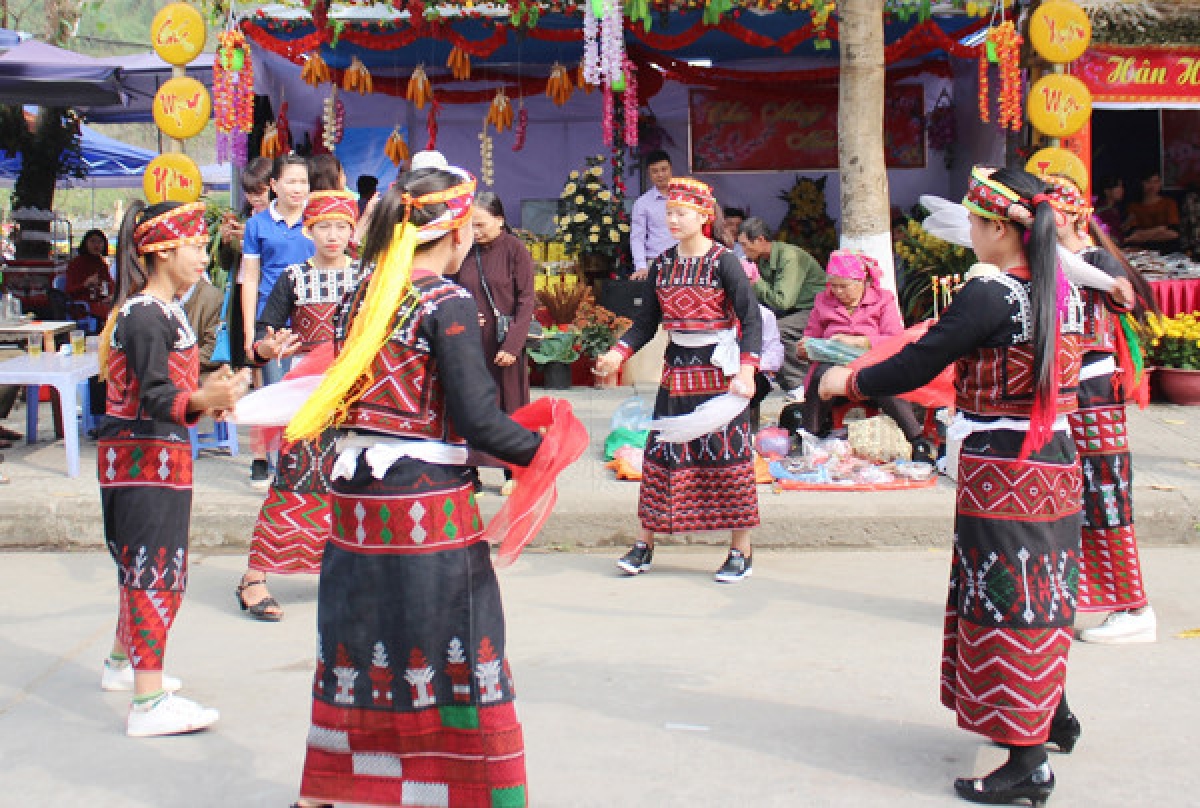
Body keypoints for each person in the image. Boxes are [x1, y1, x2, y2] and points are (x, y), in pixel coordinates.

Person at [819, 166, 1086, 806]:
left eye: (974, 222)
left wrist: (847, 384)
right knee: (1039, 595)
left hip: (1004, 468)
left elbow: (920, 360)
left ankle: (1027, 765)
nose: (967, 231)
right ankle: (1051, 716)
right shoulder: (1062, 288)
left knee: (1005, 603)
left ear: (1000, 228)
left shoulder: (991, 294)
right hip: (1055, 460)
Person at [286, 164, 544, 808]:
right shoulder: (446, 302)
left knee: (360, 642)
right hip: (425, 501)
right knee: (460, 647)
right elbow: (478, 419)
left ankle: (325, 792)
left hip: (354, 503)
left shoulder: (360, 296)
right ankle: (479, 794)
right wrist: (545, 449)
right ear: (456, 235)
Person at [97, 200, 254, 736]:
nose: (201, 259)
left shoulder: (165, 311)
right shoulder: (144, 315)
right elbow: (155, 394)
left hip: (154, 455)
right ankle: (148, 702)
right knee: (154, 571)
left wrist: (215, 395)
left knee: (140, 567)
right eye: (193, 247)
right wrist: (201, 397)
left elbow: (175, 390)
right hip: (144, 457)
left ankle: (122, 666)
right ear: (161, 251)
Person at [596, 177, 762, 583]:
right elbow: (646, 323)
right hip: (676, 373)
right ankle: (643, 543)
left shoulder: (725, 262)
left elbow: (751, 318)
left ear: (704, 215)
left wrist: (747, 369)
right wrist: (617, 352)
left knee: (729, 460)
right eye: (668, 212)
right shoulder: (663, 264)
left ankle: (741, 549)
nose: (672, 219)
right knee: (662, 455)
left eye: (680, 212)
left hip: (719, 373)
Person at [236, 191, 362, 622]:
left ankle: (351, 572)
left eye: (341, 226)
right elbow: (263, 339)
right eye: (323, 226)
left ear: (353, 231)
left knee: (353, 483)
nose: (333, 235)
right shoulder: (293, 277)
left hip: (355, 397)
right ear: (307, 231)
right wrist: (269, 347)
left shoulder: (368, 278)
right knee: (294, 479)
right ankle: (255, 577)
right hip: (307, 398)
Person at [1046, 175, 1159, 645]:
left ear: (1071, 214)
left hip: (1094, 391)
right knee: (1076, 498)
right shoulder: (1060, 260)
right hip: (1071, 390)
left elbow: (1122, 297)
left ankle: (1134, 607)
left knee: (1105, 498)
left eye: (1047, 210)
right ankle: (1079, 599)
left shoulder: (1094, 261)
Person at [798, 249, 933, 462]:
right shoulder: (823, 301)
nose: (838, 291)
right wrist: (807, 348)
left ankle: (917, 440)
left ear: (862, 281)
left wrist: (861, 342)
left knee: (885, 379)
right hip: (833, 367)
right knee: (821, 375)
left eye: (844, 286)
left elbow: (896, 339)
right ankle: (809, 438)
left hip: (872, 364)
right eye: (834, 285)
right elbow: (810, 335)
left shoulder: (883, 299)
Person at [455, 191, 537, 497]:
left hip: (505, 344)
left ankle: (514, 470)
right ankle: (470, 473)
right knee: (472, 406)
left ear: (500, 221)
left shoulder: (516, 250)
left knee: (511, 408)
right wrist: (462, 314)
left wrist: (513, 345)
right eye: (471, 226)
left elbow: (527, 300)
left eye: (481, 225)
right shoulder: (462, 250)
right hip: (470, 343)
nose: (475, 232)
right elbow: (449, 288)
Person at [241, 155, 314, 486]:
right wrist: (248, 331)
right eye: (291, 182)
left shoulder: (317, 220)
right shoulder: (257, 225)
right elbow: (251, 279)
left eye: (303, 182)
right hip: (271, 320)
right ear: (274, 186)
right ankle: (272, 462)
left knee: (307, 392)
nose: (298, 189)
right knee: (273, 391)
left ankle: (303, 462)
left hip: (311, 318)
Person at [739, 216, 827, 402]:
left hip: (816, 309)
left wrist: (755, 282)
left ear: (761, 240)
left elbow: (783, 301)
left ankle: (800, 384)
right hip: (793, 311)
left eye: (746, 245)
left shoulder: (789, 257)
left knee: (777, 331)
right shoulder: (760, 259)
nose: (744, 250)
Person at [629, 150, 677, 281]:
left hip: (685, 262)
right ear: (649, 174)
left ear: (671, 169)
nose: (660, 175)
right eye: (655, 171)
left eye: (664, 169)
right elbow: (637, 237)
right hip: (656, 263)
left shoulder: (683, 196)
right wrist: (641, 266)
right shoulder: (642, 203)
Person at [179, 273, 225, 382]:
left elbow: (214, 349)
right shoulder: (153, 296)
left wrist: (177, 364)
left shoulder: (212, 298)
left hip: (200, 377)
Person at [1125, 171, 1180, 252]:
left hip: (1167, 249)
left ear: (1160, 183)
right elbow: (1134, 234)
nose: (1152, 186)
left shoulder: (1169, 203)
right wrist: (1159, 229)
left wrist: (1144, 236)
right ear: (1141, 183)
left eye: (1155, 182)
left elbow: (1174, 234)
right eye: (1148, 182)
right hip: (1142, 252)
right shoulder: (1133, 207)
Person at [65, 228, 113, 322]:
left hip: (101, 302)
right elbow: (69, 290)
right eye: (93, 241)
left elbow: (109, 283)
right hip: (82, 306)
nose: (96, 245)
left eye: (100, 242)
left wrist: (111, 295)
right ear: (85, 243)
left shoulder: (101, 264)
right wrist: (85, 284)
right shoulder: (76, 263)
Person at [1092, 176, 1124, 245]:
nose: (1121, 190)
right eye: (1117, 187)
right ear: (1107, 191)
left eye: (1122, 186)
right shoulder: (1101, 211)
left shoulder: (1115, 209)